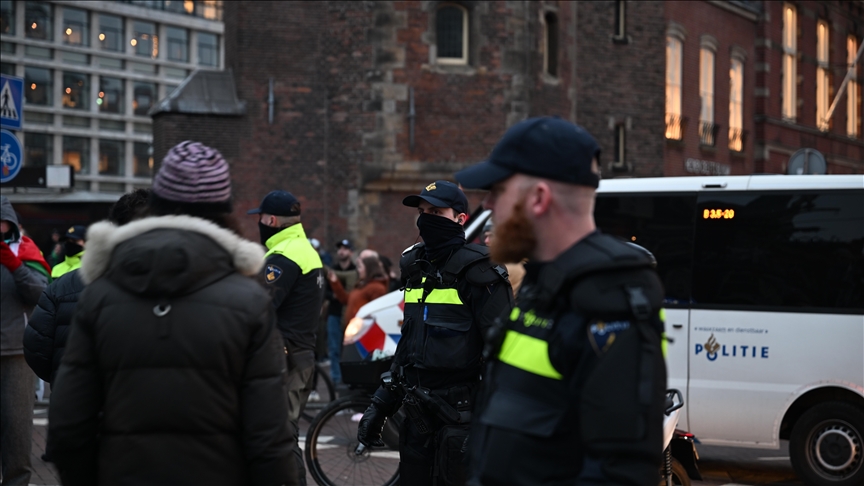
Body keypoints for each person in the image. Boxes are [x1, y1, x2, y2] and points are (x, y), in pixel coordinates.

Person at [47, 141, 297, 486]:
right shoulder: (249, 302)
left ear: (158, 205)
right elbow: (269, 436)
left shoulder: (101, 296)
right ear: (223, 211)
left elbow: (68, 426)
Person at [455, 117, 667, 485]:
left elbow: (618, 472)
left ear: (538, 198)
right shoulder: (545, 284)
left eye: (498, 190)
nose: (488, 204)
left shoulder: (607, 297)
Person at [357, 180, 513, 486]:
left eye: (436, 211)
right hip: (417, 418)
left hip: (462, 419)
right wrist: (381, 404)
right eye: (422, 211)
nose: (426, 218)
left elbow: (505, 354)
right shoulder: (416, 267)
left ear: (460, 218)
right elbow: (409, 346)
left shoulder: (480, 271)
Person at [25, 190, 151, 386]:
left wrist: (62, 377)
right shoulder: (182, 286)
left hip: (74, 399)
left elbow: (36, 348)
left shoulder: (62, 287)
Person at [249, 189, 325, 485]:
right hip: (299, 355)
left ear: (270, 219)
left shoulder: (283, 256)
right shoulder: (304, 249)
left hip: (285, 358)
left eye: (260, 218)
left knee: (279, 435)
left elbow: (259, 305)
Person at [1, 196, 50, 486]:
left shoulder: (26, 250)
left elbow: (41, 295)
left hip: (18, 351)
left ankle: (17, 482)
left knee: (17, 428)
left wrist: (15, 266)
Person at [324, 238, 359, 383]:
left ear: (351, 252)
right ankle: (336, 379)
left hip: (350, 316)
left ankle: (348, 379)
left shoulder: (355, 271)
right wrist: (333, 295)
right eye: (340, 248)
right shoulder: (332, 269)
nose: (341, 251)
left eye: (345, 248)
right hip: (334, 313)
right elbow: (324, 290)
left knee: (348, 349)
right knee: (333, 348)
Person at [327, 255, 389, 333]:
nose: (358, 270)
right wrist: (335, 282)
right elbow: (346, 300)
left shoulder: (377, 288)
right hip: (353, 331)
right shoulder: (362, 285)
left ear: (369, 269)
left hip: (363, 333)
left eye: (360, 267)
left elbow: (376, 314)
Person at [483, 220, 525, 297]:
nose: (486, 241)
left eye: (491, 236)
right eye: (486, 236)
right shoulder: (507, 263)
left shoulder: (508, 267)